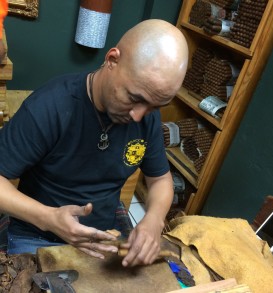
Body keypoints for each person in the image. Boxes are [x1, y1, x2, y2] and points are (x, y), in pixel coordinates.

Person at [0, 19, 188, 267]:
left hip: (104, 235)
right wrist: (48, 218)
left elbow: (160, 180)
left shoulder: (146, 116)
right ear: (112, 60)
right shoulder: (49, 107)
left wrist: (153, 220)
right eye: (134, 98)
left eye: (154, 106)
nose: (138, 115)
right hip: (38, 232)